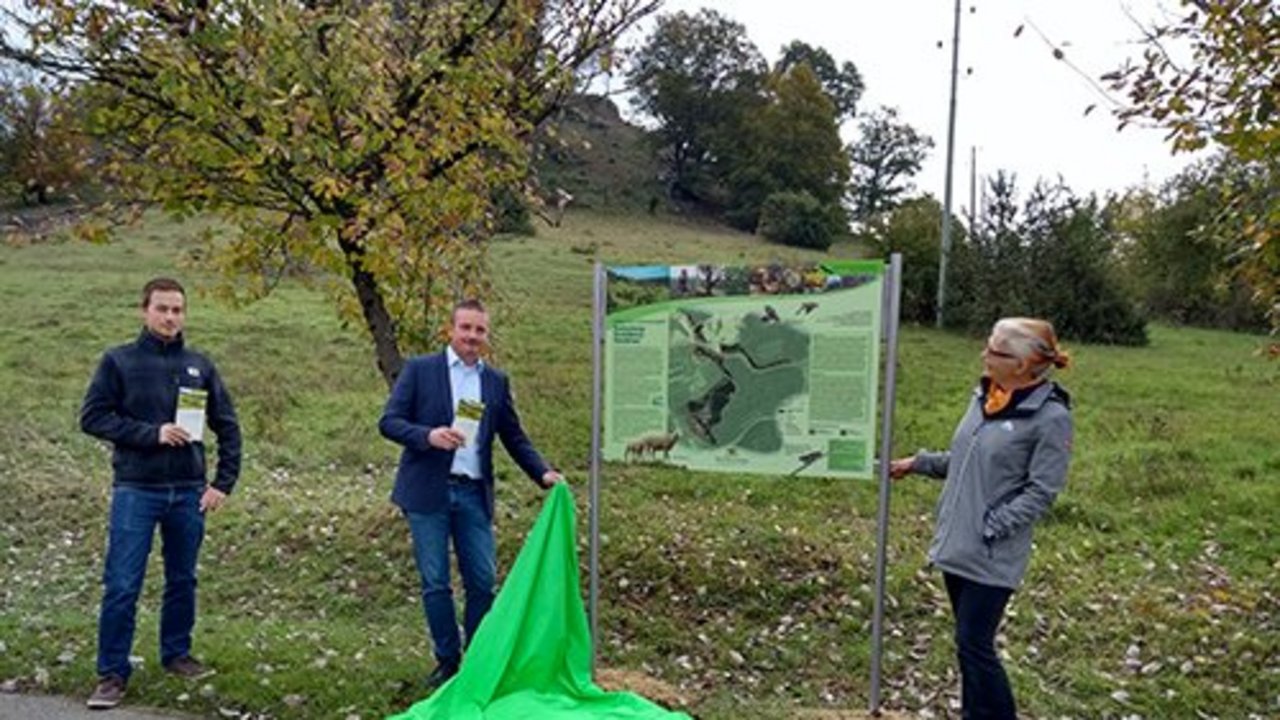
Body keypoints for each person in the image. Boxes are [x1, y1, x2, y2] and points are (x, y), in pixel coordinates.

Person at [890, 317, 1073, 720]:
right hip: (958, 544)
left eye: (994, 350)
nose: (983, 355)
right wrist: (918, 463)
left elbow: (1042, 491)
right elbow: (967, 461)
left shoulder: (1050, 417)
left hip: (991, 554)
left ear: (1022, 365)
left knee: (974, 644)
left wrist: (990, 526)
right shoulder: (986, 398)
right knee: (967, 645)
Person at [379, 299, 563, 690]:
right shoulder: (420, 370)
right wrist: (427, 436)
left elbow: (513, 435)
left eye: (480, 330)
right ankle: (447, 662)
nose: (472, 337)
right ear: (451, 330)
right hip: (427, 492)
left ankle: (478, 658)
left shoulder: (495, 381)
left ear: (486, 336)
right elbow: (389, 422)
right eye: (466, 328)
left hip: (472, 494)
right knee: (436, 582)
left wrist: (542, 472)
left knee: (482, 580)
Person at [80, 277, 241, 710]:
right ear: (144, 311)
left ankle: (177, 654)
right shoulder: (119, 362)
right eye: (162, 309)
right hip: (136, 489)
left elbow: (227, 425)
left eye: (177, 310)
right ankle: (112, 673)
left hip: (189, 491)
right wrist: (150, 434)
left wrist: (223, 483)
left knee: (183, 579)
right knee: (122, 584)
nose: (170, 317)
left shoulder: (199, 365)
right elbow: (93, 417)